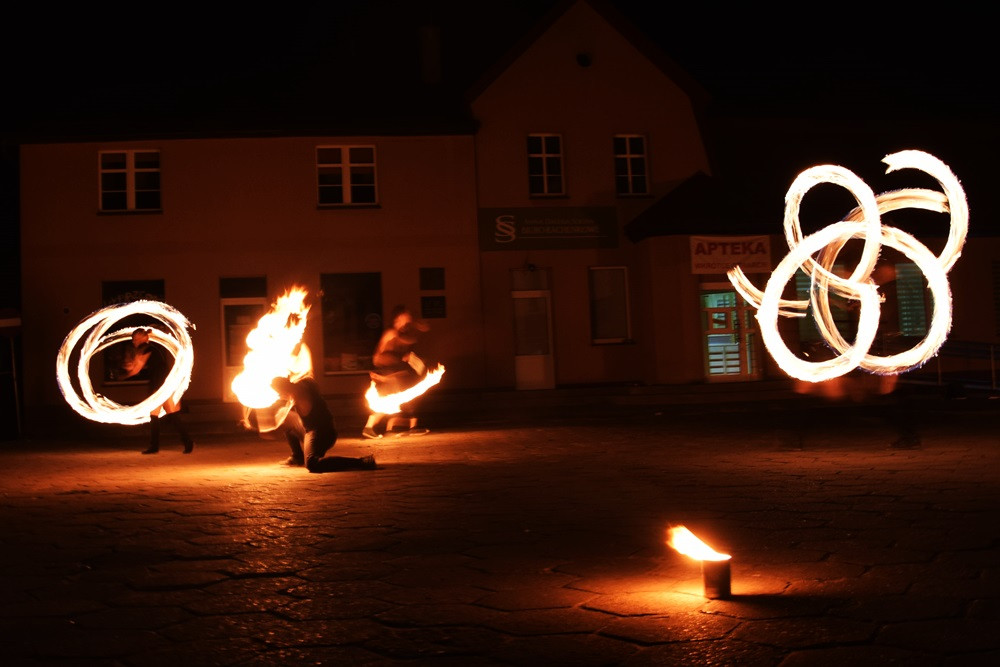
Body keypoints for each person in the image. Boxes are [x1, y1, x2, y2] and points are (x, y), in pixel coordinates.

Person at [272, 376, 376, 472]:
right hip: (315, 429)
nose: (279, 395)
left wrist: (269, 430)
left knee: (312, 464)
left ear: (284, 389)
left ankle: (361, 462)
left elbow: (279, 424)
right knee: (287, 419)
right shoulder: (303, 383)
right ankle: (297, 456)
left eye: (279, 392)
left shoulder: (297, 395)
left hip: (321, 435)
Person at [120, 327, 194, 455]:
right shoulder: (152, 347)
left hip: (159, 384)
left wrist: (124, 375)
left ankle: (156, 446)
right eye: (133, 339)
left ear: (143, 338)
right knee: (168, 413)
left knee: (156, 414)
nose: (134, 341)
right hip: (165, 382)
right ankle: (187, 442)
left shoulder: (145, 348)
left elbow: (136, 369)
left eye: (136, 339)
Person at [362, 305, 431, 439]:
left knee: (407, 398)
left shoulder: (400, 334)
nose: (407, 322)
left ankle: (408, 427)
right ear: (397, 319)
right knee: (387, 401)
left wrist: (408, 357)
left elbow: (407, 342)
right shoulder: (391, 334)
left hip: (396, 374)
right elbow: (378, 357)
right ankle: (369, 427)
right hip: (390, 374)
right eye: (405, 318)